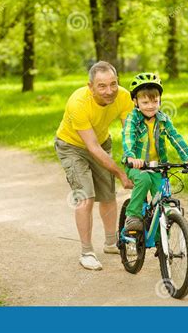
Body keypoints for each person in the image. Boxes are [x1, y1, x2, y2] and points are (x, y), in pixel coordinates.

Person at [55, 61, 134, 271]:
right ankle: (87, 252)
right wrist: (120, 173)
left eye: (113, 84)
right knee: (86, 196)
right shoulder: (78, 103)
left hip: (101, 142)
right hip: (72, 146)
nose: (109, 91)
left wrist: (136, 160)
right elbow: (91, 147)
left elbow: (130, 133)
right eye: (102, 86)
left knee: (108, 194)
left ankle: (111, 243)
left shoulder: (124, 97)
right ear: (90, 87)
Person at [122, 72, 188, 230]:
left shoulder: (163, 119)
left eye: (155, 102)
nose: (150, 106)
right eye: (145, 102)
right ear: (135, 102)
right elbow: (128, 137)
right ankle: (132, 215)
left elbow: (176, 138)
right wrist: (131, 157)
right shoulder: (133, 119)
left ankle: (162, 243)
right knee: (144, 180)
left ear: (160, 101)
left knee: (162, 200)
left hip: (158, 166)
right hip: (137, 166)